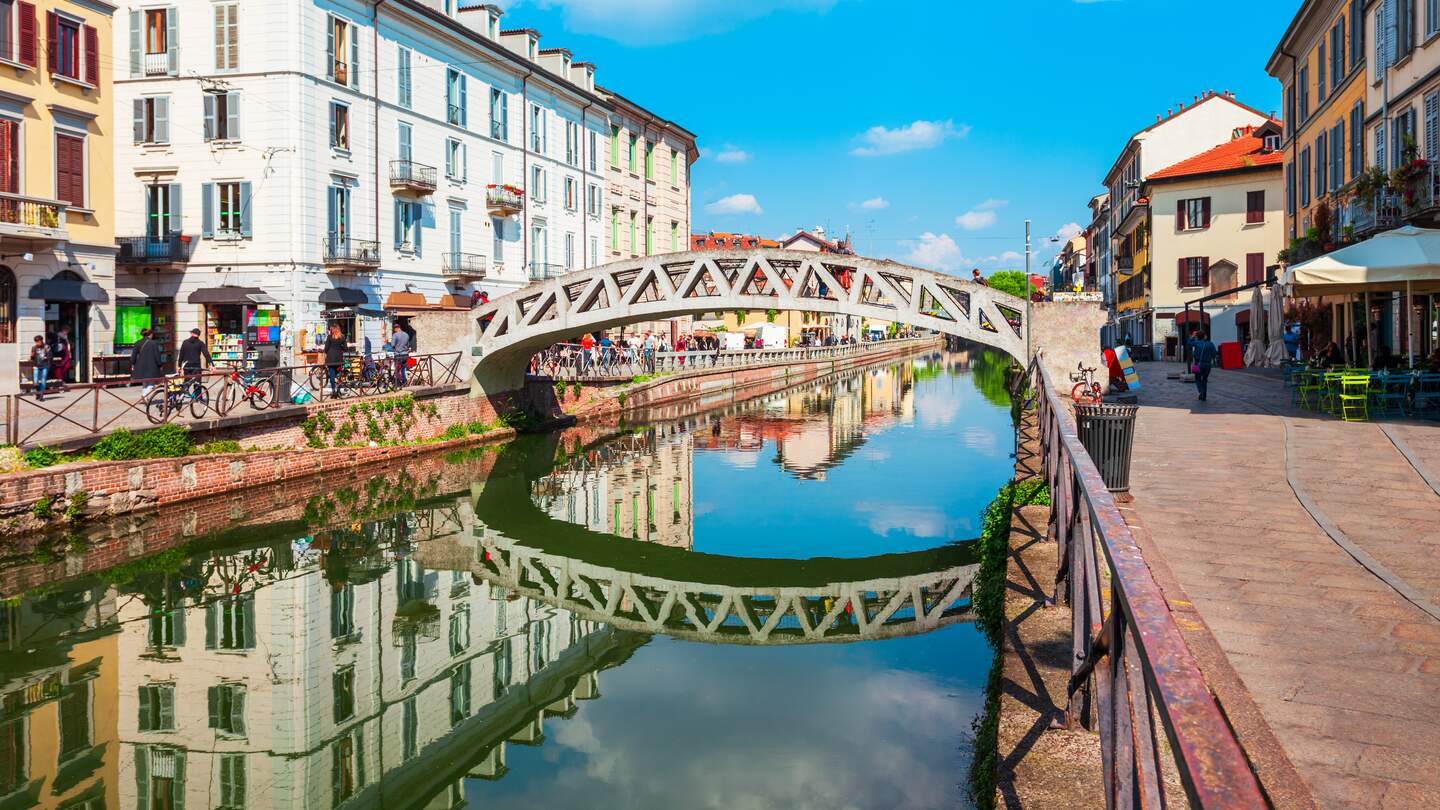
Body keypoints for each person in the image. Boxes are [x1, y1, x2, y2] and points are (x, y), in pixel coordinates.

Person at [131, 328, 164, 394]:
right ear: (150, 334)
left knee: (145, 383)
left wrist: (133, 364)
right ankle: (145, 395)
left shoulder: (138, 343)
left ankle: (146, 398)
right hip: (152, 366)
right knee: (151, 384)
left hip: (141, 366)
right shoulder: (154, 343)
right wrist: (160, 365)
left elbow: (133, 355)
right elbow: (157, 355)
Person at [1188, 329, 1218, 402]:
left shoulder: (1196, 343)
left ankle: (1201, 391)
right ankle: (1204, 394)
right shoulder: (1210, 344)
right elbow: (1214, 354)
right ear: (1205, 336)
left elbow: (1188, 343)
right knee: (1204, 379)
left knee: (1197, 379)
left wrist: (1193, 336)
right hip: (1207, 364)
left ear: (1197, 337)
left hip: (1197, 363)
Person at [323, 324, 347, 396]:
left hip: (330, 359)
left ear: (332, 330)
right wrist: (341, 348)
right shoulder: (342, 337)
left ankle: (334, 390)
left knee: (332, 375)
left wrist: (328, 353)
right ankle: (338, 386)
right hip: (339, 359)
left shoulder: (329, 337)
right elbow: (345, 348)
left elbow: (326, 348)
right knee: (338, 374)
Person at [30, 335, 50, 400]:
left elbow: (50, 356)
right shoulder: (34, 347)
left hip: (45, 365)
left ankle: (41, 394)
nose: (37, 343)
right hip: (36, 365)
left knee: (43, 380)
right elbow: (32, 358)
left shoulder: (46, 347)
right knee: (36, 381)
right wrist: (32, 356)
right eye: (36, 342)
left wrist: (47, 358)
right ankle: (38, 393)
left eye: (38, 341)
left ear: (41, 340)